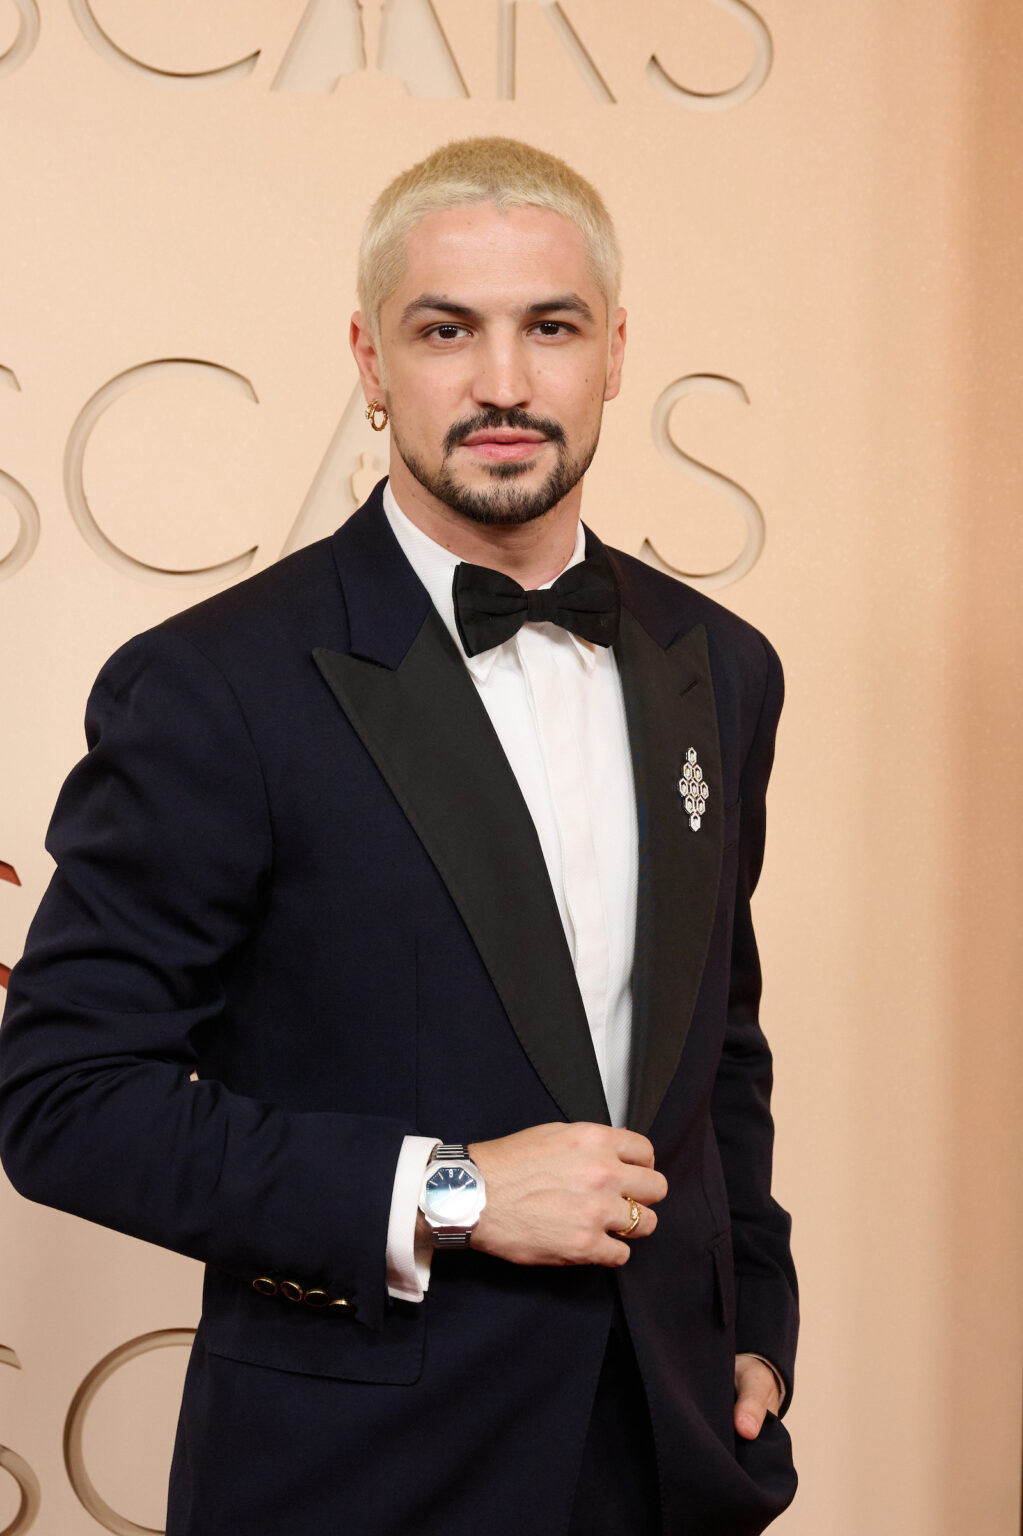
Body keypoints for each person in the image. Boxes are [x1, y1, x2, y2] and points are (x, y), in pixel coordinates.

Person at [0, 136, 797, 1535]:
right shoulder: (216, 686)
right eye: (447, 331)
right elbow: (63, 1100)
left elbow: (715, 1041)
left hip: (669, 1465)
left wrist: (753, 1327)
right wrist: (455, 1189)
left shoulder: (721, 665)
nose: (502, 382)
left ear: (614, 351)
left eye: (548, 327)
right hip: (356, 1480)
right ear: (370, 363)